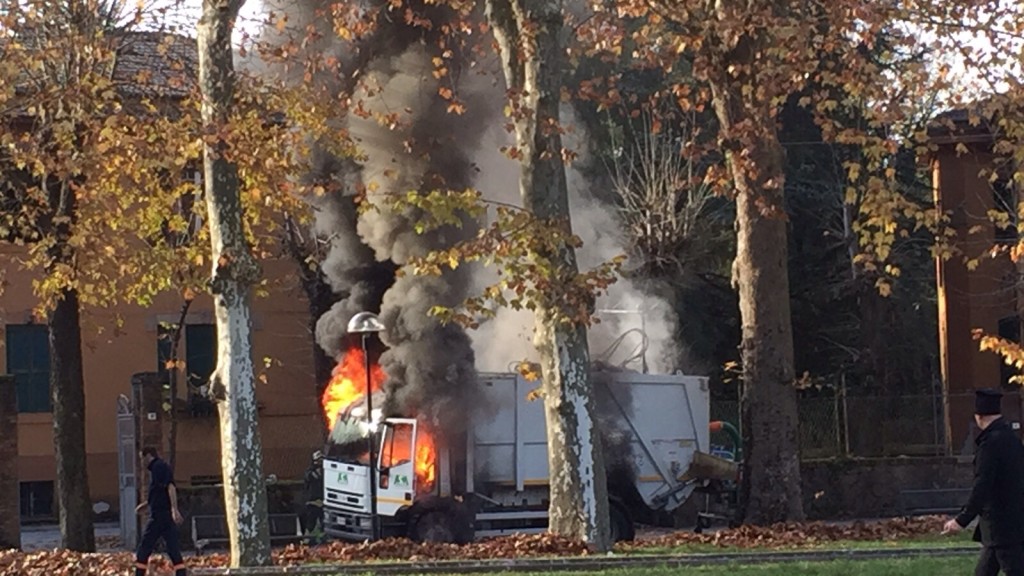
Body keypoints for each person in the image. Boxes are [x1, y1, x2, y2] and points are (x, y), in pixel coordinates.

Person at [943, 388, 1024, 576]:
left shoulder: (989, 445)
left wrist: (961, 520)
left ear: (978, 417)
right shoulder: (1013, 440)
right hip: (1013, 521)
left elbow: (982, 486)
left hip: (1000, 525)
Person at [135, 447, 186, 576]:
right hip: (164, 515)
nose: (142, 463)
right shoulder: (157, 469)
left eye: (142, 459)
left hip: (159, 516)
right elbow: (159, 493)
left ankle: (139, 573)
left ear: (148, 456)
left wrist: (174, 509)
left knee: (144, 548)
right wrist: (146, 505)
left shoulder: (158, 467)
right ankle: (181, 573)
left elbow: (170, 486)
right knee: (173, 549)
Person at [302, 450, 325, 542]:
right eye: (318, 460)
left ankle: (322, 539)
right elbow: (309, 478)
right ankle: (306, 540)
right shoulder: (309, 472)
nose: (319, 463)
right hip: (312, 501)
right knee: (310, 522)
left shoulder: (324, 472)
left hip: (323, 501)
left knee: (323, 522)